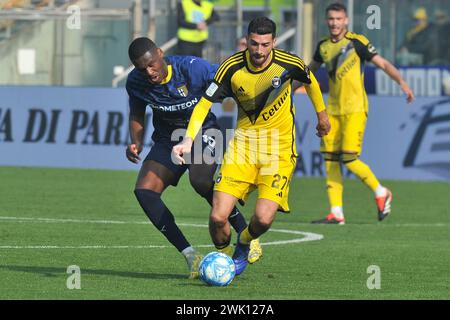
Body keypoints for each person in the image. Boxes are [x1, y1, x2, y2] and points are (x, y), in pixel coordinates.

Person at [173, 17, 330, 275]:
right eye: (254, 44)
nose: (259, 51)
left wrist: (322, 115)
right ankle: (222, 263)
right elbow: (204, 103)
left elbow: (310, 79)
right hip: (242, 149)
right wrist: (188, 139)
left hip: (278, 151)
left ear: (274, 43)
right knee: (217, 218)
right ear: (246, 41)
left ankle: (244, 242)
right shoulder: (231, 67)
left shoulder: (288, 63)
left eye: (265, 45)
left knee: (264, 219)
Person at [125, 37, 262, 279]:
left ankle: (244, 234)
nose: (149, 72)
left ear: (160, 53)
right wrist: (135, 141)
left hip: (205, 132)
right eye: (141, 68)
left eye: (152, 64)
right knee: (144, 191)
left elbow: (228, 78)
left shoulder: (191, 68)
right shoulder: (136, 82)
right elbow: (137, 111)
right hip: (168, 139)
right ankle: (191, 256)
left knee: (200, 181)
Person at [308, 3, 414, 225]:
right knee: (330, 160)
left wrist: (402, 82)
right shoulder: (323, 46)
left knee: (348, 157)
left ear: (346, 20)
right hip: (332, 111)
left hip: (356, 109)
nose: (334, 23)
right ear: (326, 21)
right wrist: (293, 85)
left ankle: (380, 191)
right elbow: (310, 71)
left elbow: (382, 63)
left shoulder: (357, 42)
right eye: (331, 19)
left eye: (338, 19)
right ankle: (336, 213)